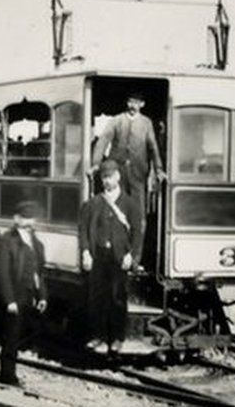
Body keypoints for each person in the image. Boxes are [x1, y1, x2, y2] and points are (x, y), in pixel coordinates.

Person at [78, 160, 143, 355]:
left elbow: (138, 233)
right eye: (103, 177)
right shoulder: (93, 203)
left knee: (117, 298)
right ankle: (98, 336)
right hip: (99, 256)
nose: (106, 181)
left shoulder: (130, 204)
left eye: (109, 177)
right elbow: (83, 229)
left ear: (118, 177)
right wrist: (86, 251)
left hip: (119, 258)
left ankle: (116, 338)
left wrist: (132, 256)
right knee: (97, 298)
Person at [0, 200, 48, 385]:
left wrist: (42, 296)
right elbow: (1, 272)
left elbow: (38, 273)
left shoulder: (37, 244)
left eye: (31, 218)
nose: (29, 222)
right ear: (16, 219)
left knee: (19, 336)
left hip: (28, 295)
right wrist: (8, 300)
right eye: (25, 218)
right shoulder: (6, 241)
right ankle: (7, 376)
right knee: (11, 337)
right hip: (13, 295)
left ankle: (11, 372)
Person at [89, 92, 166, 216]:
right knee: (115, 204)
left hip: (139, 173)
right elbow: (103, 141)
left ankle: (138, 234)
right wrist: (96, 164)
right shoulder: (117, 120)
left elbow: (153, 147)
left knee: (138, 208)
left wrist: (158, 169)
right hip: (117, 172)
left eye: (136, 103)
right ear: (127, 103)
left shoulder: (146, 123)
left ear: (142, 104)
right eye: (130, 102)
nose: (132, 105)